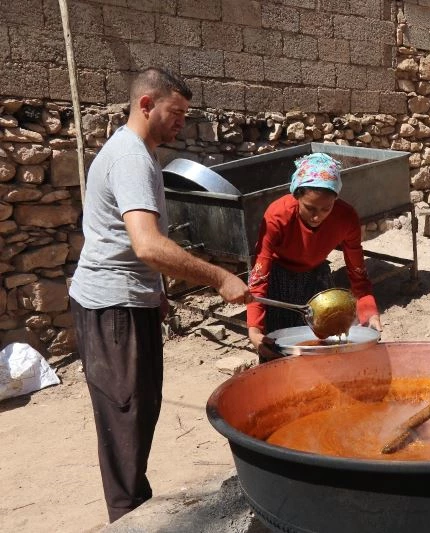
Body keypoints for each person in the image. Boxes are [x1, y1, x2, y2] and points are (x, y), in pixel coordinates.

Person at [69, 67, 250, 522]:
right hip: (113, 307)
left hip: (130, 300)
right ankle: (128, 518)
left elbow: (125, 240)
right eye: (176, 112)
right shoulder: (130, 157)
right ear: (146, 104)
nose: (181, 123)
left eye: (186, 115)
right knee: (125, 422)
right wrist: (219, 278)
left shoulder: (137, 152)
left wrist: (155, 290)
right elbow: (147, 244)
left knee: (138, 413)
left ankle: (135, 508)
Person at [246, 152, 382, 359]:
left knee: (326, 347)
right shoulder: (277, 215)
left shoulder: (346, 218)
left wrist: (369, 313)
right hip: (278, 278)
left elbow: (358, 275)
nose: (317, 216)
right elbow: (260, 276)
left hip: (316, 276)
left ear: (336, 199)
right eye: (309, 208)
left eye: (326, 208)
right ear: (296, 195)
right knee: (278, 352)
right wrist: (254, 331)